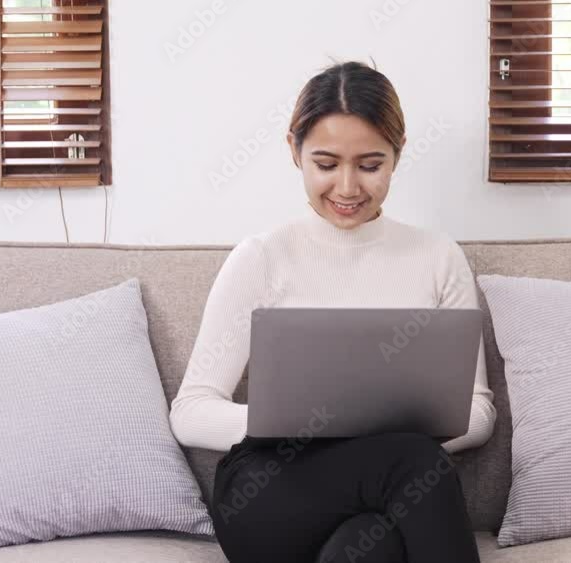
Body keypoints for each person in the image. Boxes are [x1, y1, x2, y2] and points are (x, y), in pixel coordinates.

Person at [169, 60, 495, 563]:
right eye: (325, 164)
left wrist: (365, 437)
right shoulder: (262, 257)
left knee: (371, 544)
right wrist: (307, 426)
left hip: (383, 493)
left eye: (370, 165)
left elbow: (476, 414)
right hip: (270, 488)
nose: (347, 188)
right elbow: (191, 411)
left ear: (398, 155)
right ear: (294, 152)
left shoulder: (438, 258)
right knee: (415, 461)